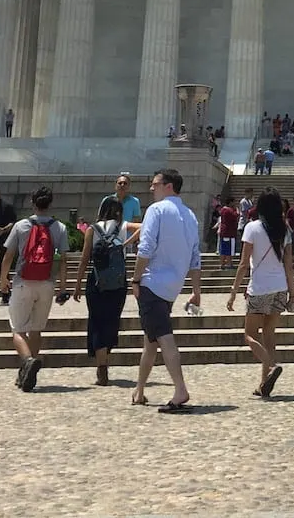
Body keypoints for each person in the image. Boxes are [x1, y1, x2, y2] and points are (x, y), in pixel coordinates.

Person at [130, 168, 202, 412]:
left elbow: (146, 246)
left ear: (168, 186)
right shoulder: (190, 216)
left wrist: (136, 279)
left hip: (152, 283)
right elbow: (195, 258)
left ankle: (180, 390)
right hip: (173, 287)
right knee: (151, 340)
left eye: (155, 184)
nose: (152, 188)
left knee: (163, 336)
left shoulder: (157, 210)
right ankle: (139, 389)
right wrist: (196, 291)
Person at [228, 188, 294, 398]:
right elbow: (289, 265)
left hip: (259, 288)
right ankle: (263, 383)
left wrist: (233, 291)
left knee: (249, 334)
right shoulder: (285, 230)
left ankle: (271, 364)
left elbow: (243, 264)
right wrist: (293, 295)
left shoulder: (252, 228)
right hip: (280, 289)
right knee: (269, 335)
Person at [0, 186, 70, 392]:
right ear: (50, 203)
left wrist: (3, 279)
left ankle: (28, 361)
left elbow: (8, 256)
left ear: (32, 202)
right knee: (37, 329)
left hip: (23, 281)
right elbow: (63, 261)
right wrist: (62, 288)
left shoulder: (21, 226)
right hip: (47, 283)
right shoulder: (60, 228)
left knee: (18, 329)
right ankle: (27, 371)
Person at [73, 197, 137, 385]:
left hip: (97, 281)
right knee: (111, 321)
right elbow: (144, 226)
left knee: (97, 321)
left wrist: (77, 284)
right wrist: (125, 245)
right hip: (118, 282)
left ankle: (102, 367)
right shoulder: (123, 227)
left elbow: (85, 259)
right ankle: (105, 358)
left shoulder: (92, 229)